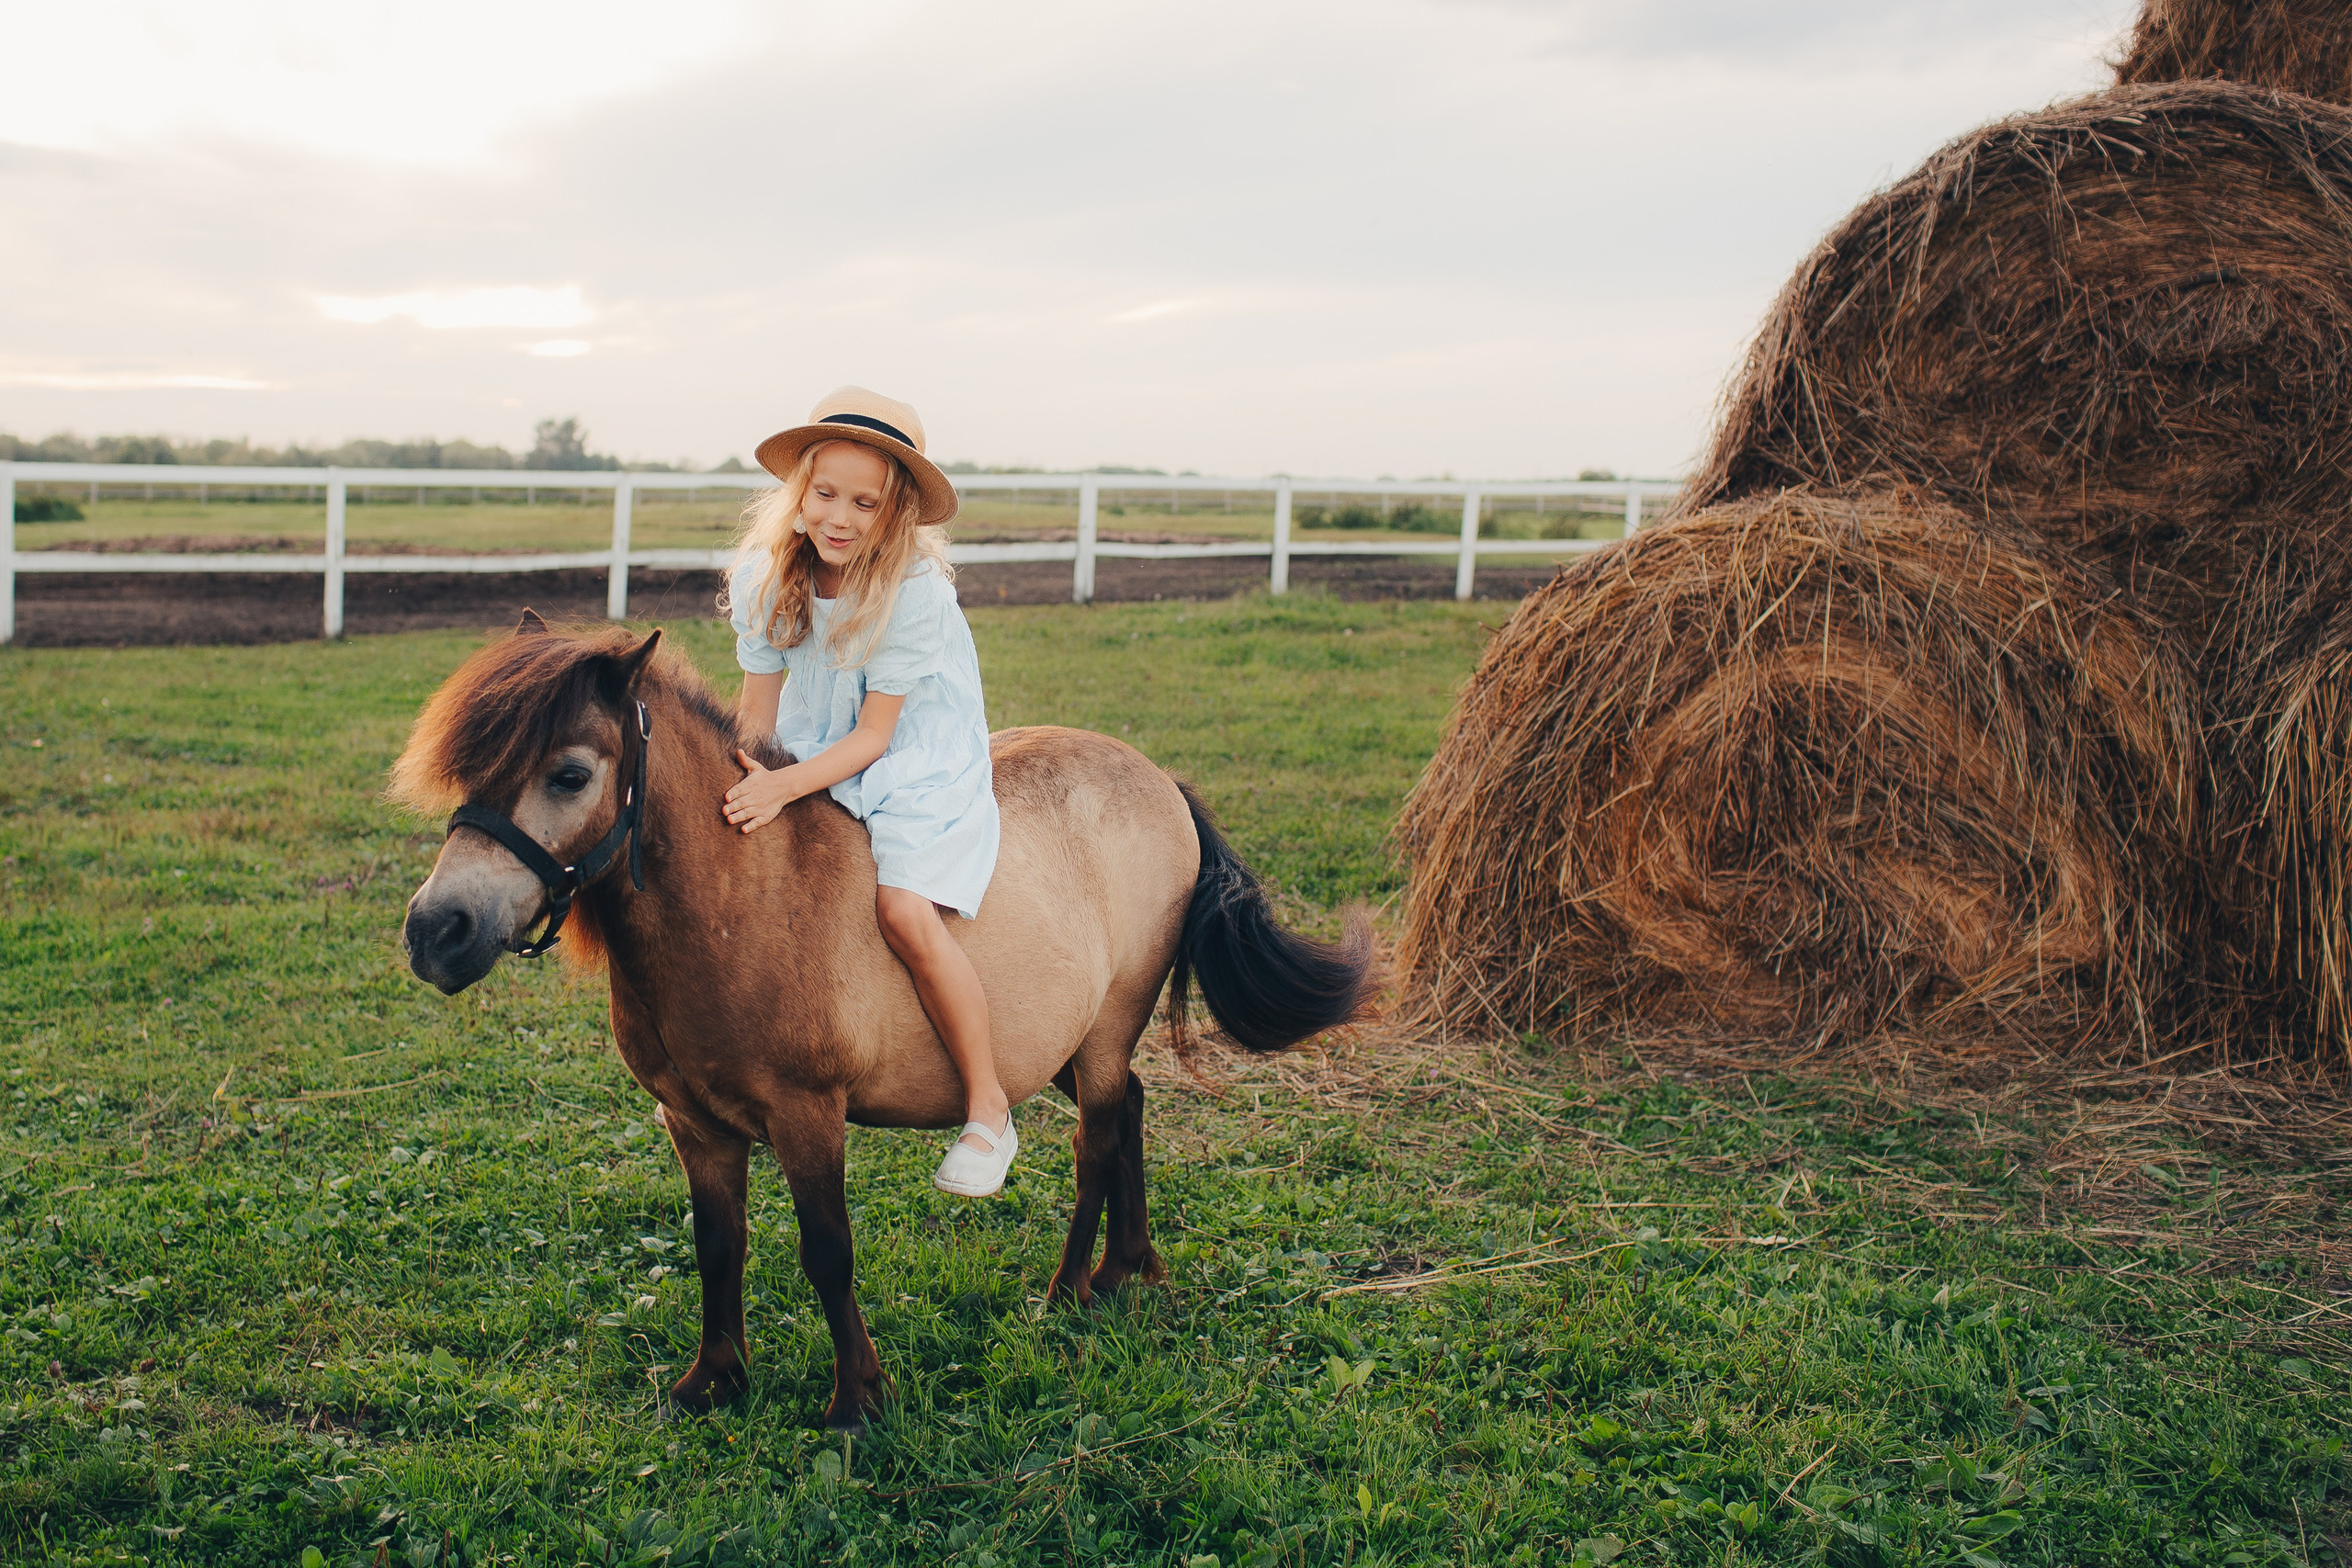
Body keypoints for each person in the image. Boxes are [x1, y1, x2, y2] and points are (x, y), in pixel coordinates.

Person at [719, 387, 1014, 1198]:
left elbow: (875, 739)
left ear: (897, 515)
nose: (839, 518)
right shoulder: (764, 575)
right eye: (824, 495)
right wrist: (751, 778)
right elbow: (756, 712)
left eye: (865, 503)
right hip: (812, 742)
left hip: (912, 752)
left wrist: (785, 784)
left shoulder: (913, 593)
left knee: (904, 910)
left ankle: (989, 1107)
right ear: (799, 492)